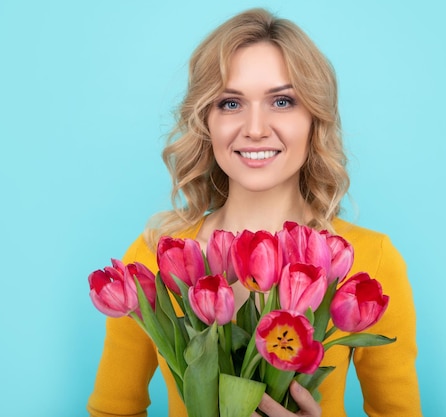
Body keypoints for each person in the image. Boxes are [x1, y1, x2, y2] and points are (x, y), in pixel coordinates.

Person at [88, 8, 422, 417]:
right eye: (230, 103)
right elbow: (112, 410)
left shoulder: (369, 261)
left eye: (282, 101)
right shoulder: (154, 258)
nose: (256, 128)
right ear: (206, 121)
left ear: (314, 119)